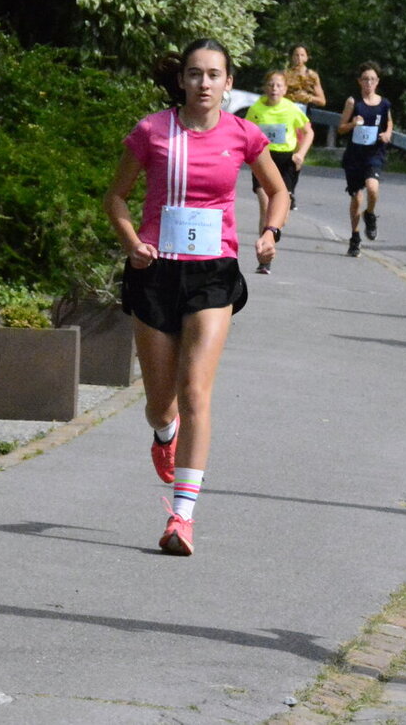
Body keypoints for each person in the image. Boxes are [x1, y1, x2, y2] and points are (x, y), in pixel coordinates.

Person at [103, 38, 289, 556]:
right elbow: (115, 197)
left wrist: (271, 232)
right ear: (182, 80)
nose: (204, 83)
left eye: (213, 75)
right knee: (161, 404)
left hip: (213, 273)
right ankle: (166, 434)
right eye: (194, 74)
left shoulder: (243, 134)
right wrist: (132, 243)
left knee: (195, 392)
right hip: (155, 271)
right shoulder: (152, 131)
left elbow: (278, 190)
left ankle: (182, 517)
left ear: (229, 83)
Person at [245, 69, 314, 271]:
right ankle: (264, 258)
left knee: (280, 212)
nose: (274, 89)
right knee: (265, 204)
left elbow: (308, 132)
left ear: (285, 90)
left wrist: (301, 153)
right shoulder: (256, 109)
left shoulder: (291, 109)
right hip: (262, 159)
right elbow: (246, 133)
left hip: (285, 161)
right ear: (265, 88)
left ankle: (274, 229)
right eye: (271, 85)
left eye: (279, 86)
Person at [337, 61, 393, 256]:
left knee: (372, 188)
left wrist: (387, 134)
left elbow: (389, 123)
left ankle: (369, 214)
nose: (369, 83)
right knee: (356, 197)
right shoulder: (354, 102)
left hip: (374, 154)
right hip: (354, 156)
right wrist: (352, 124)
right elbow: (341, 128)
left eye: (372, 79)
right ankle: (355, 237)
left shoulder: (384, 104)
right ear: (359, 81)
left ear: (377, 81)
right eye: (365, 79)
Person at [284, 43, 326, 109]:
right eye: (296, 55)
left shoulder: (312, 76)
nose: (299, 58)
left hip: (303, 110)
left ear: (306, 58)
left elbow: (322, 101)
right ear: (292, 57)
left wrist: (307, 97)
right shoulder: (284, 74)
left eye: (302, 55)